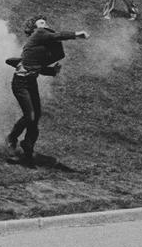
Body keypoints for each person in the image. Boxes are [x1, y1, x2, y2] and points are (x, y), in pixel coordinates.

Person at [5, 15, 89, 167]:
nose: (43, 21)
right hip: (20, 83)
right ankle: (11, 139)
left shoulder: (41, 46)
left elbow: (38, 67)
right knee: (30, 116)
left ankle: (28, 149)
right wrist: (77, 34)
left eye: (44, 21)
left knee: (35, 118)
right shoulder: (39, 34)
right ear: (34, 27)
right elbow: (58, 35)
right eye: (39, 21)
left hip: (30, 83)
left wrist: (51, 71)